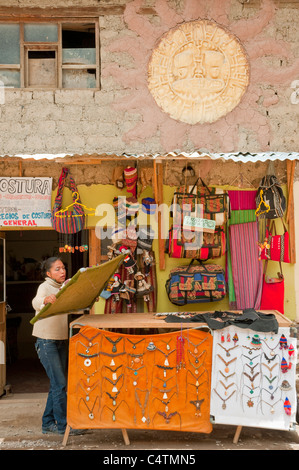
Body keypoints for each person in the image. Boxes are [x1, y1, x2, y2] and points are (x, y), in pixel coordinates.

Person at [32, 257, 79, 436]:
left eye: (63, 268)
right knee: (60, 384)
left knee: (56, 384)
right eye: (58, 269)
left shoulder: (64, 288)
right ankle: (63, 426)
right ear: (48, 273)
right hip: (46, 341)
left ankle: (47, 423)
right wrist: (45, 300)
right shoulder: (45, 287)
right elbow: (36, 302)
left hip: (60, 340)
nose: (62, 271)